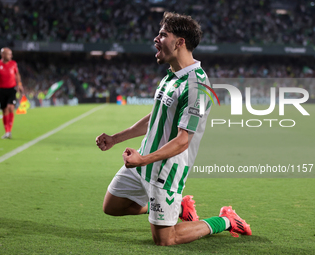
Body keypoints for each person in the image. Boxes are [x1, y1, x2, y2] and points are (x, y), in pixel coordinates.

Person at [96, 12, 251, 246]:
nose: (156, 39)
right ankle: (178, 207)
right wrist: (115, 139)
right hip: (144, 160)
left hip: (165, 171)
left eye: (163, 35)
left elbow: (182, 141)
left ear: (180, 42)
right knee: (112, 206)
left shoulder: (196, 85)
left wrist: (143, 160)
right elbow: (155, 118)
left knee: (165, 239)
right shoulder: (171, 76)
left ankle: (226, 220)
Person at [0, 47, 24, 139]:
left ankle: (9, 130)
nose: (11, 56)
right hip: (1, 90)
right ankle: (7, 132)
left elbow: (17, 74)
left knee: (10, 107)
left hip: (12, 89)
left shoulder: (13, 64)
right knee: (4, 110)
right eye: (9, 54)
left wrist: (19, 84)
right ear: (3, 55)